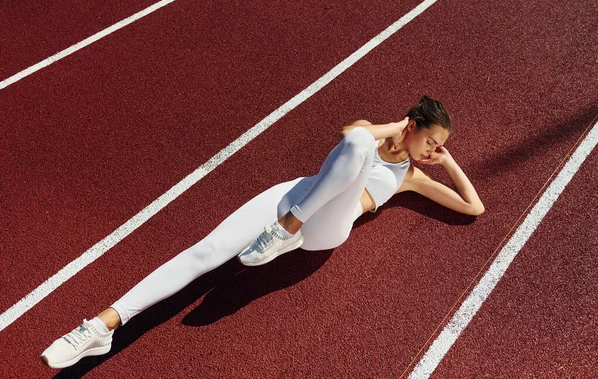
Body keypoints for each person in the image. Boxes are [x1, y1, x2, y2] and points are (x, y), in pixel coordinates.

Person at [40, 96, 484, 368]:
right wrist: (398, 127)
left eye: (436, 147)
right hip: (292, 198)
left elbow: (473, 206)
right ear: (411, 125)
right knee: (206, 251)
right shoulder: (374, 133)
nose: (432, 150)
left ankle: (288, 230)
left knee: (361, 149)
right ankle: (100, 326)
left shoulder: (411, 175)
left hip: (325, 226)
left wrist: (446, 162)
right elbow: (352, 135)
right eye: (430, 141)